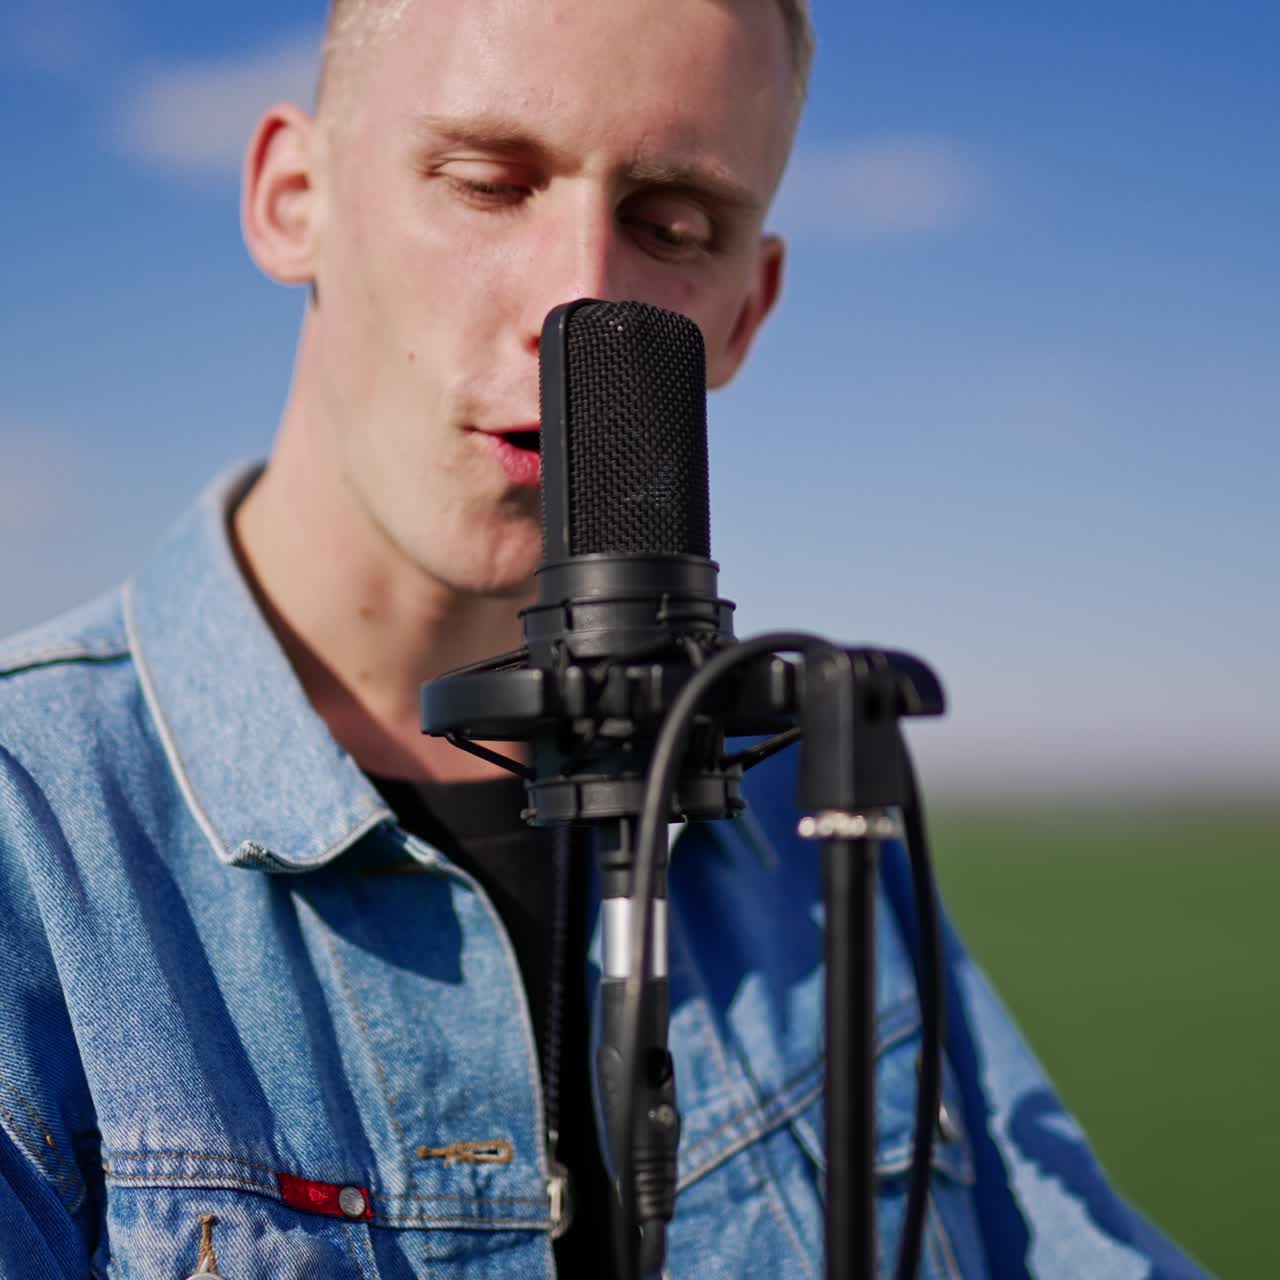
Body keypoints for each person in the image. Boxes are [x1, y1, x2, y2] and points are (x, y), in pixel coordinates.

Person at [0, 1, 1207, 1276]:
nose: (578, 299)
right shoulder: (32, 835)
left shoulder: (798, 795)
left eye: (672, 226)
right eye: (485, 184)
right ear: (292, 198)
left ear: (746, 308)